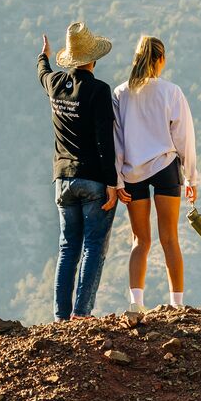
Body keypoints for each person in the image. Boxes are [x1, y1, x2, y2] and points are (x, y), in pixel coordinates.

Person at [37, 21, 123, 320]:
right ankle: (82, 314)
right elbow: (104, 139)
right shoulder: (99, 91)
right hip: (93, 179)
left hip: (62, 180)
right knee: (93, 246)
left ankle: (60, 317)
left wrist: (43, 56)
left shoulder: (56, 85)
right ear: (93, 58)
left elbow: (43, 74)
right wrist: (112, 182)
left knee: (67, 248)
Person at [111, 36, 198, 313]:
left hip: (132, 171)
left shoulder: (120, 94)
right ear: (160, 60)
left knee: (141, 241)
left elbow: (117, 140)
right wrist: (191, 178)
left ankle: (136, 303)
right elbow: (184, 137)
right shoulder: (171, 91)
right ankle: (177, 304)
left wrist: (117, 178)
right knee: (169, 237)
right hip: (165, 166)